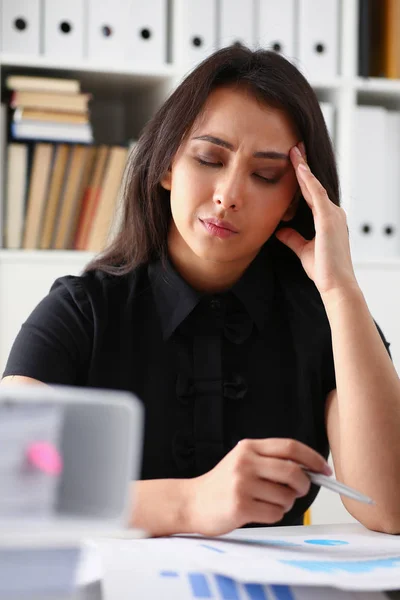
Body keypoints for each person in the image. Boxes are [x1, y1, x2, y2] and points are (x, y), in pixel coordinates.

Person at [2, 45, 400, 537]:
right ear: (167, 165)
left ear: (295, 201)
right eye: (210, 157)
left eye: (265, 174)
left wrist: (341, 290)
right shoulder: (84, 310)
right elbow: (10, 479)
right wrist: (189, 503)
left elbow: (390, 507)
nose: (228, 194)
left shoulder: (326, 319)